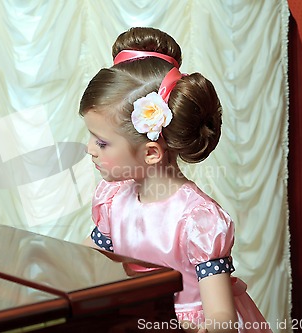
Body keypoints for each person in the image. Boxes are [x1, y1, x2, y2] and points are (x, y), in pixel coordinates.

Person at [79, 27, 272, 333]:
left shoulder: (198, 221)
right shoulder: (112, 199)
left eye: (101, 143)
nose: (89, 149)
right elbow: (84, 265)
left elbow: (222, 320)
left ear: (151, 152)